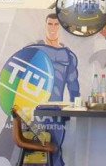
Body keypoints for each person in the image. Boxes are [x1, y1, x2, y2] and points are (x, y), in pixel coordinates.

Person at [27, 13, 80, 166]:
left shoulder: (69, 56)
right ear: (45, 25)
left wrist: (74, 108)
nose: (53, 28)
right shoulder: (33, 50)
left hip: (56, 113)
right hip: (34, 111)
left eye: (57, 24)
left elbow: (73, 86)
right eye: (50, 24)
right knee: (34, 153)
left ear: (61, 28)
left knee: (55, 150)